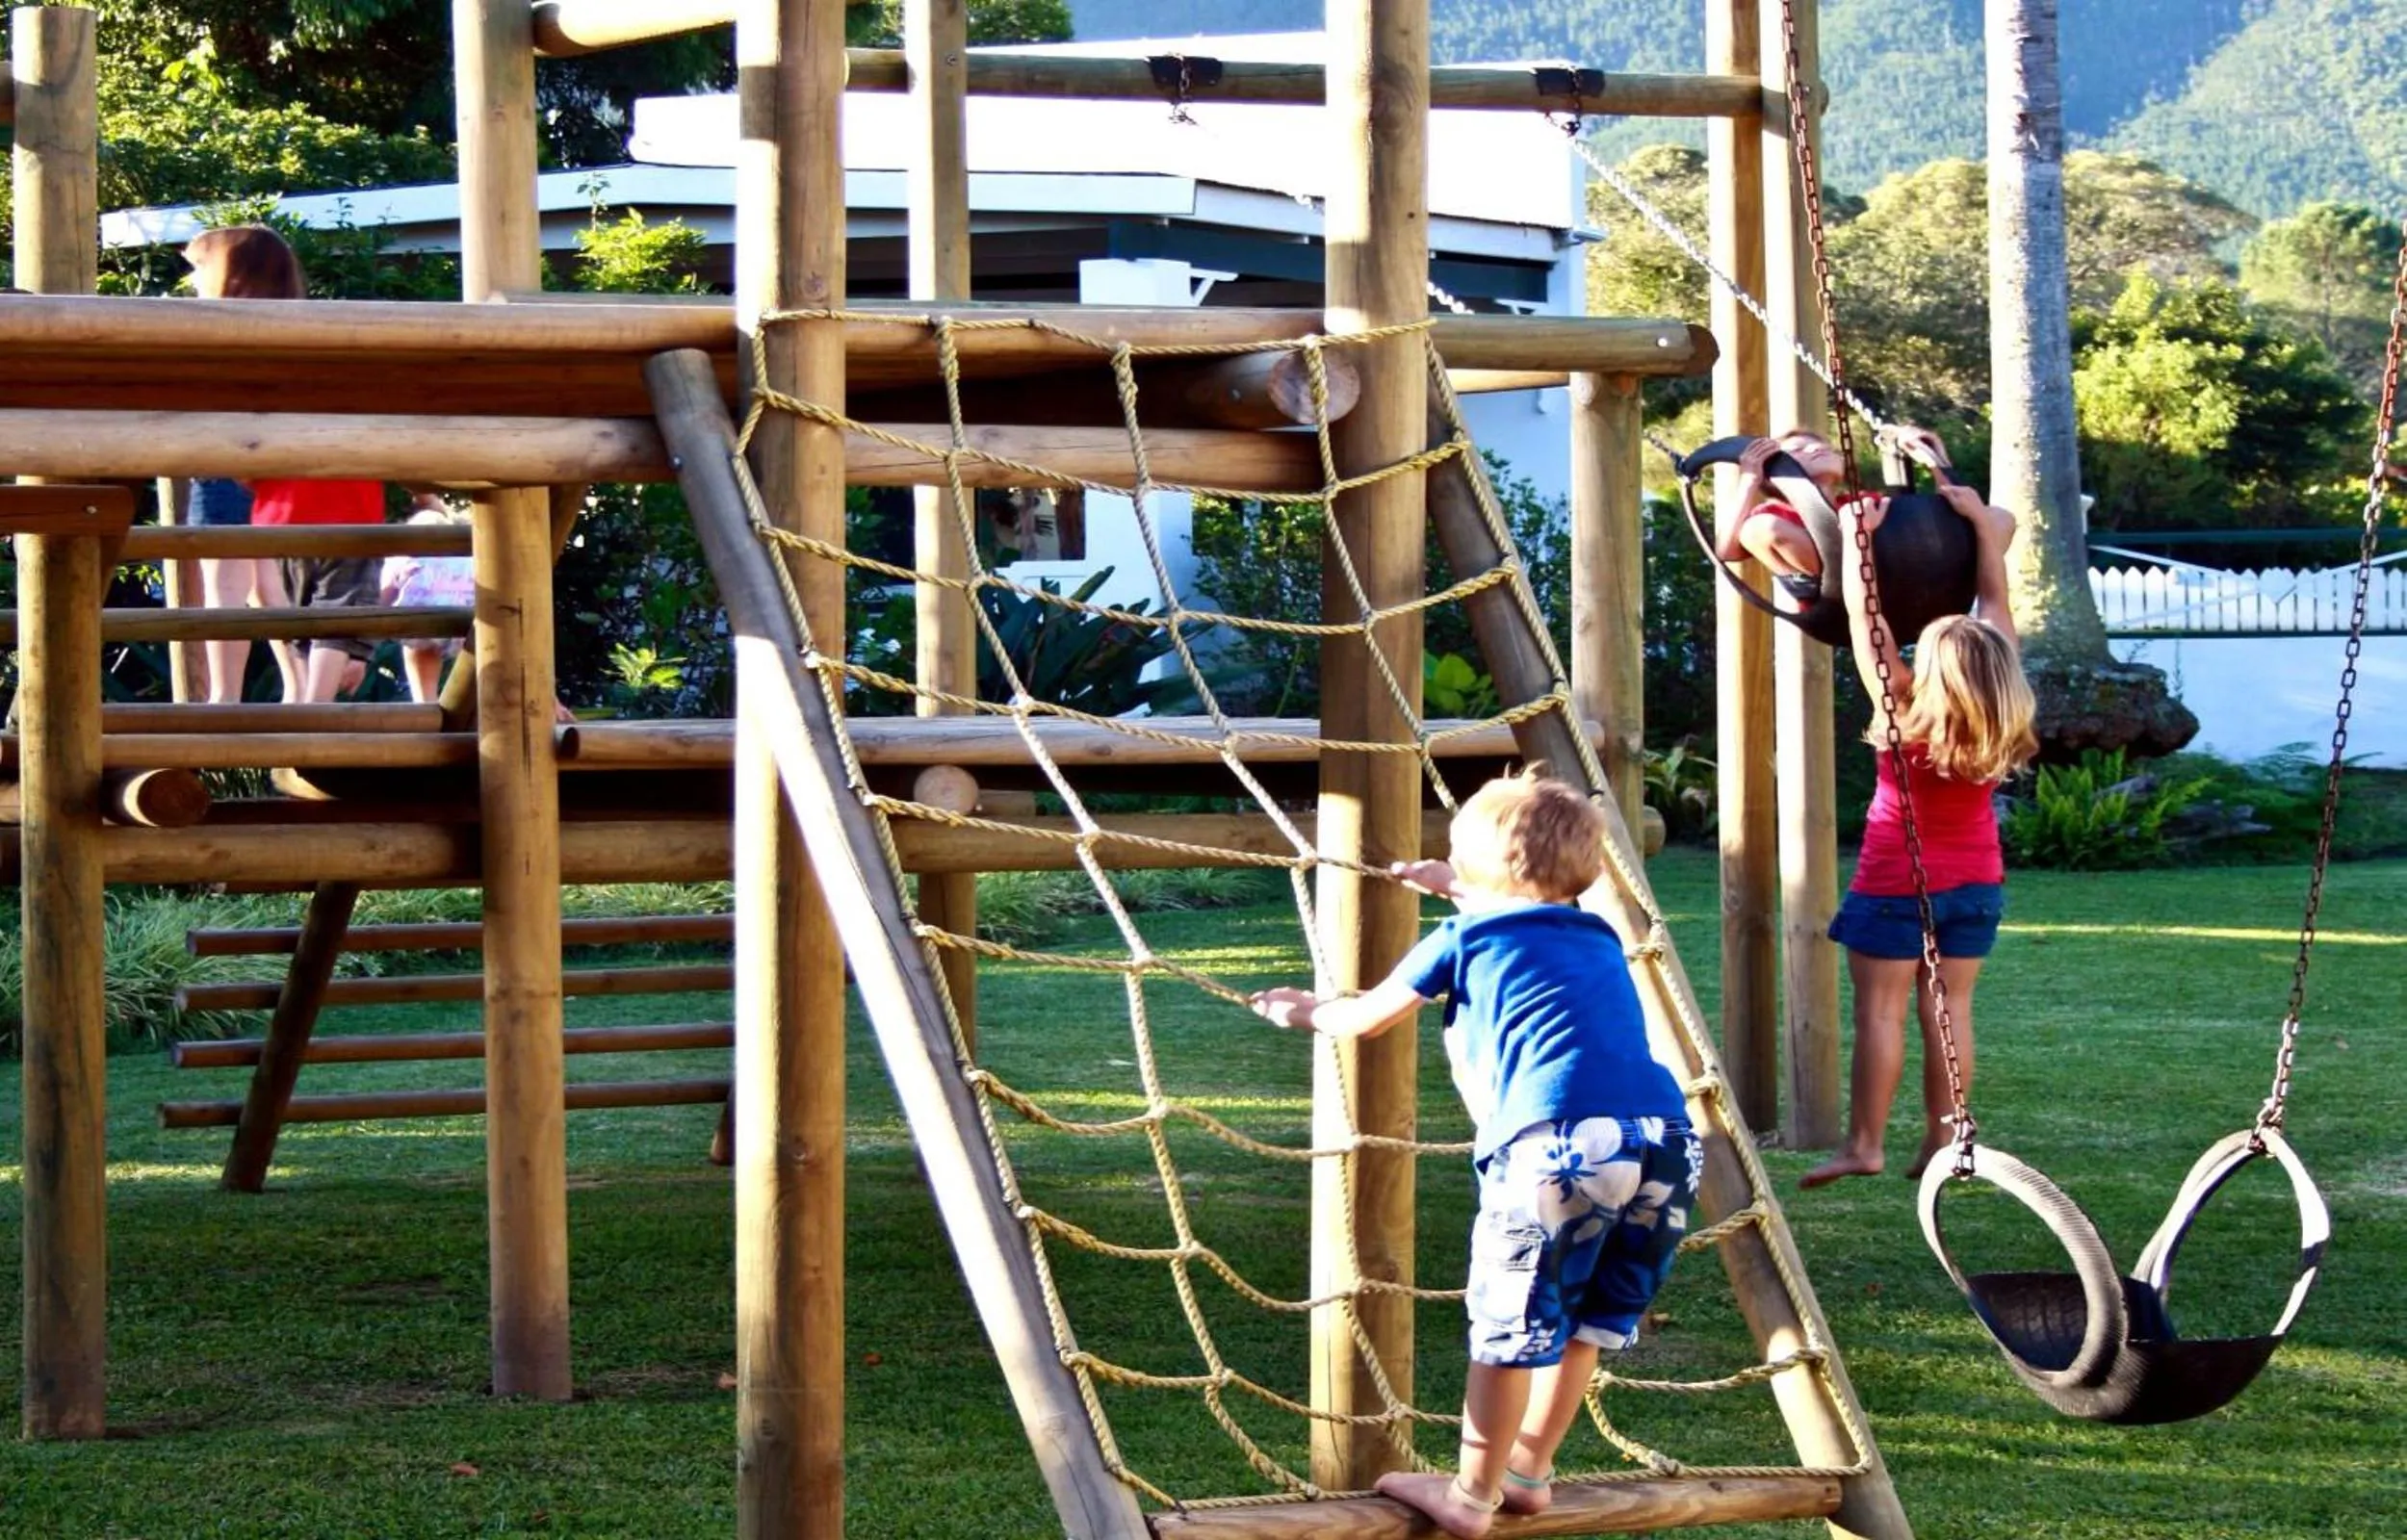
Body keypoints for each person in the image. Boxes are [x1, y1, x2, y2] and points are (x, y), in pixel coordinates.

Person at [1248, 773, 1697, 1538]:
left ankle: (1472, 1495)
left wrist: (1301, 1011)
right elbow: (1523, 912)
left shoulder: (1460, 938)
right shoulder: (1594, 933)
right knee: (1586, 1321)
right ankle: (1528, 1473)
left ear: (1477, 872)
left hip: (1554, 1145)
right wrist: (1452, 882)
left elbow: (1363, 1019)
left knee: (1510, 1325)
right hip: (1665, 1143)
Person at [1799, 472, 2035, 1190]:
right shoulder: (2004, 709)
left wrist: (1860, 544)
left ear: (1927, 668)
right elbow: (1993, 602)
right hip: (1976, 886)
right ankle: (1947, 1143)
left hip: (1896, 882)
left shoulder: (1903, 712)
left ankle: (1865, 1144)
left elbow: (1865, 624)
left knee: (1880, 1014)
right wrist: (1979, 528)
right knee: (1950, 1010)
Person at [183, 225, 309, 702]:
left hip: (226, 461)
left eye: (199, 270)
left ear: (231, 277)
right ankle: (299, 689)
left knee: (225, 589)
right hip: (283, 469)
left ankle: (224, 698)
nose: (193, 283)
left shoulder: (214, 331)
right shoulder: (300, 331)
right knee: (268, 583)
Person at [1716, 424, 1956, 609]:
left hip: (1890, 582)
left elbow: (1952, 515)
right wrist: (1749, 480)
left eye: (1826, 448)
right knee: (1758, 529)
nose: (1818, 448)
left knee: (1989, 516)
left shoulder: (1861, 500)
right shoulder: (1775, 513)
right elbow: (1726, 551)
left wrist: (1932, 456)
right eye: (1799, 450)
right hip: (1834, 598)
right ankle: (1842, 568)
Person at [380, 499, 475, 704]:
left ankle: (425, 702)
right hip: (463, 621)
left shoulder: (404, 559)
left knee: (420, 650)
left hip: (419, 622)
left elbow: (385, 593)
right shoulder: (464, 561)